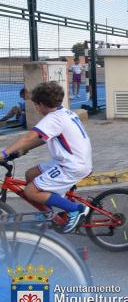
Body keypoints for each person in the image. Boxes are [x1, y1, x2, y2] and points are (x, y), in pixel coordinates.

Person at [0, 82, 92, 233]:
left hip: (72, 165)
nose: (36, 108)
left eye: (36, 105)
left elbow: (29, 137)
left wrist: (3, 153)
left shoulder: (52, 119)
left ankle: (76, 209)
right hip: (71, 160)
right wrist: (22, 151)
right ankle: (47, 213)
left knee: (30, 191)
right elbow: (42, 139)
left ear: (41, 104)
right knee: (30, 174)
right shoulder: (66, 113)